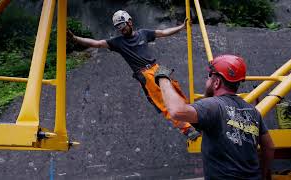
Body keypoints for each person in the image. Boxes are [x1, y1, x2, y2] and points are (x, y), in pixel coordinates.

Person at [67, 10, 200, 140]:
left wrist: (182, 27)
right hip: (145, 74)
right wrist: (74, 38)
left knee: (177, 94)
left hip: (157, 68)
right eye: (118, 27)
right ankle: (186, 129)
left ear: (129, 22)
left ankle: (193, 120)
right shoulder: (117, 42)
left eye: (122, 25)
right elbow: (96, 43)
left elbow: (163, 32)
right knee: (163, 101)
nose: (121, 29)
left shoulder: (143, 34)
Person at [155, 55, 275, 179]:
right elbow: (269, 146)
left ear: (216, 82)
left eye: (209, 77)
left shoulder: (213, 106)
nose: (206, 81)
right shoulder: (252, 111)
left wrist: (163, 78)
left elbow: (177, 111)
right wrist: (265, 174)